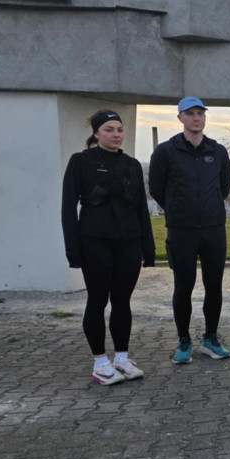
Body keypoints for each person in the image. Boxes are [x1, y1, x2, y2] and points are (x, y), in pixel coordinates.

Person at [62, 110, 155, 385]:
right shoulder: (81, 161)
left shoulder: (132, 165)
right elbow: (68, 207)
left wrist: (147, 249)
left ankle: (122, 358)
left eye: (119, 129)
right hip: (94, 242)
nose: (115, 135)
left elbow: (141, 209)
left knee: (123, 301)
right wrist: (73, 249)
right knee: (97, 300)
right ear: (96, 133)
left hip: (129, 242)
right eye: (109, 129)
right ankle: (100, 362)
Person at [149, 97, 230, 364]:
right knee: (183, 286)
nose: (196, 118)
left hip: (213, 230)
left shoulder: (217, 151)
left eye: (200, 113)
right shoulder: (166, 151)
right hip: (181, 230)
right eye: (190, 114)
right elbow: (156, 187)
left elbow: (224, 186)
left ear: (205, 118)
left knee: (214, 286)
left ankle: (210, 338)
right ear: (180, 118)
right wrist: (176, 209)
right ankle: (184, 340)